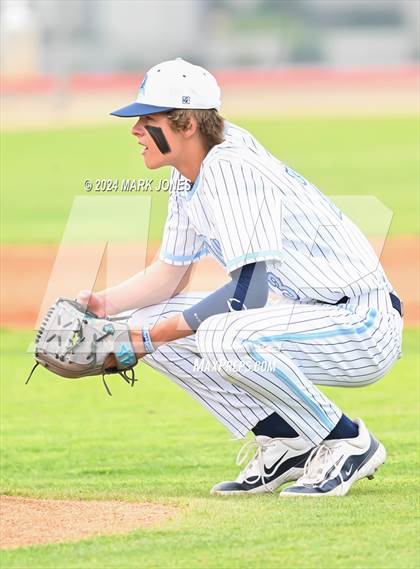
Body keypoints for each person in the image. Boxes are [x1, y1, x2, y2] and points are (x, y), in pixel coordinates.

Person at [77, 58, 403, 497]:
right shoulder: (191, 170)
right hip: (311, 316)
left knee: (222, 336)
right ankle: (292, 442)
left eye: (148, 118)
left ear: (188, 123)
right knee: (148, 320)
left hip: (361, 323)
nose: (135, 129)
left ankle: (345, 440)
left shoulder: (232, 169)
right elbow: (170, 276)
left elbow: (249, 293)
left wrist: (148, 336)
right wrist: (106, 306)